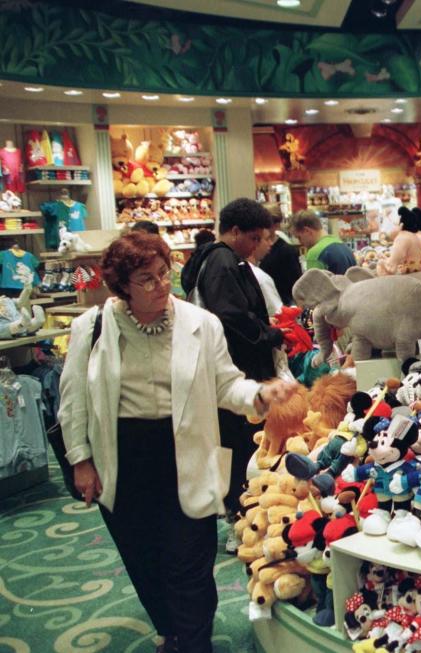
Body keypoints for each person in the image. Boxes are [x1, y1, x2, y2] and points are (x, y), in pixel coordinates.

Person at [59, 231, 297, 653]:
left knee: (191, 562)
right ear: (121, 288)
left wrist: (259, 395)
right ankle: (169, 628)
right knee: (144, 557)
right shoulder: (91, 327)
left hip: (187, 450)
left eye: (163, 274)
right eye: (146, 280)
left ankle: (192, 641)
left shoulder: (200, 324)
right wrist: (81, 460)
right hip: (124, 456)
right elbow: (73, 398)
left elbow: (226, 385)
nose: (160, 286)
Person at [180, 198, 286, 552]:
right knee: (241, 445)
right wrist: (267, 334)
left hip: (227, 367)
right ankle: (238, 518)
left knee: (235, 444)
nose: (257, 247)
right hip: (234, 368)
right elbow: (231, 317)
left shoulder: (212, 258)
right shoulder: (222, 262)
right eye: (253, 238)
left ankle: (238, 513)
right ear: (235, 231)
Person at [258, 203, 302, 305]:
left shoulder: (287, 251)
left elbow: (295, 285)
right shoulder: (252, 247)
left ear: (276, 225)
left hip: (281, 305)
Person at [290, 211, 355, 274]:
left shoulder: (315, 253)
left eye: (299, 237)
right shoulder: (342, 244)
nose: (300, 242)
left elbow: (314, 284)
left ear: (307, 231)